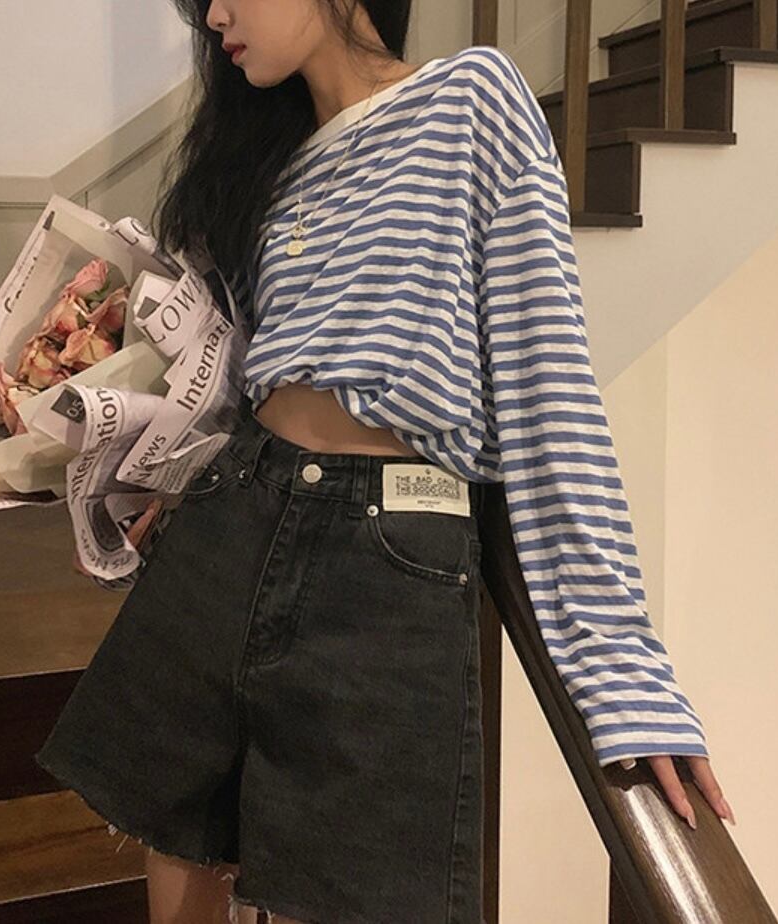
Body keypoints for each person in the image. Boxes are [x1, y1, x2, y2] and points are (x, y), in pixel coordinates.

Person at [39, 2, 736, 922]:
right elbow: (251, 373)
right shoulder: (267, 162)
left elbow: (550, 387)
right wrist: (177, 472)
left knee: (352, 882)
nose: (215, 16)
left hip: (389, 554)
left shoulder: (472, 99)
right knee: (178, 835)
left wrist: (623, 668)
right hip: (235, 512)